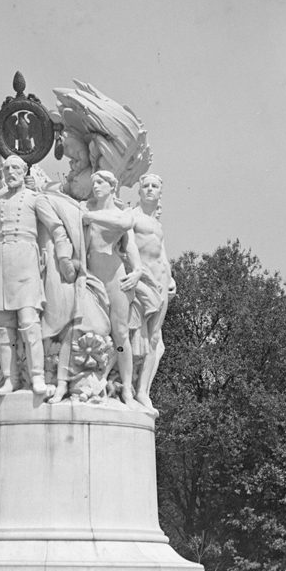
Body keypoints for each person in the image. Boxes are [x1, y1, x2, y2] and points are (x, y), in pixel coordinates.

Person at [0, 155, 76, 395]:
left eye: (15, 168)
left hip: (26, 259)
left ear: (24, 170)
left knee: (29, 322)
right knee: (2, 326)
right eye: (6, 169)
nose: (10, 172)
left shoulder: (35, 199)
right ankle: (9, 378)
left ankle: (37, 376)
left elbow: (56, 228)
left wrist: (64, 256)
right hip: (0, 262)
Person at [82, 171, 142, 410]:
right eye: (93, 183)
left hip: (114, 277)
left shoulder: (120, 214)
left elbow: (129, 239)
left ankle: (127, 387)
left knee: (120, 333)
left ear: (112, 186)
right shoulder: (84, 210)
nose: (95, 186)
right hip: (89, 278)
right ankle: (94, 378)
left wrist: (137, 271)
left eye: (101, 183)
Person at [130, 173, 175, 411]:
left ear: (160, 193)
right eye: (145, 186)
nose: (149, 189)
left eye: (154, 186)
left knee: (155, 339)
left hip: (161, 283)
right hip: (143, 280)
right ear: (139, 192)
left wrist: (171, 276)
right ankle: (129, 386)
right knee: (137, 336)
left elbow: (162, 253)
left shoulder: (157, 224)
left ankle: (142, 391)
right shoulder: (133, 216)